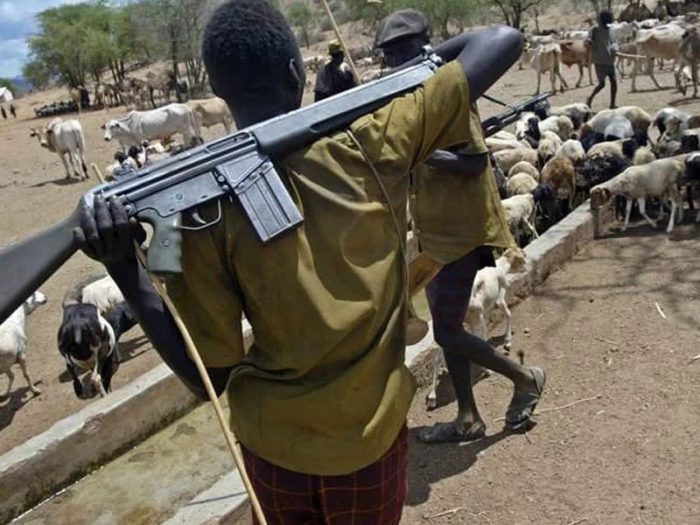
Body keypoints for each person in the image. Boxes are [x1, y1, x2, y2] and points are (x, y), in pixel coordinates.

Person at [73, 0, 523, 523]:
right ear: (296, 72)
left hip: (272, 448)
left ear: (216, 90)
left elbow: (207, 375)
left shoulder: (199, 212)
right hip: (366, 439)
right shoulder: (371, 137)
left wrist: (126, 270)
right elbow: (500, 40)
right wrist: (379, 91)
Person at [375, 9, 547, 444]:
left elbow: (474, 162)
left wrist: (420, 152)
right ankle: (467, 416)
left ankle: (526, 378)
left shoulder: (447, 93)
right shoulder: (415, 99)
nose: (396, 62)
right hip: (436, 230)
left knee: (448, 330)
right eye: (389, 55)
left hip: (460, 231)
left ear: (424, 47)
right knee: (445, 324)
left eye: (404, 51)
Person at [586, 10, 618, 109]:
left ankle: (612, 104)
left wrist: (615, 48)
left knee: (614, 81)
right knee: (602, 84)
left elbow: (613, 42)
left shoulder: (610, 30)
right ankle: (590, 98)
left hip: (610, 59)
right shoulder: (595, 29)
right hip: (600, 60)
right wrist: (590, 43)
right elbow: (588, 40)